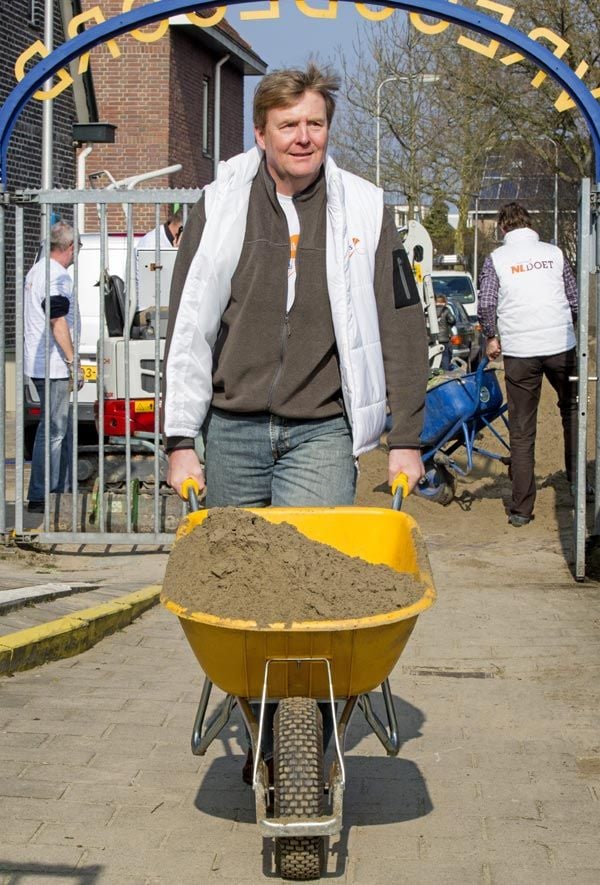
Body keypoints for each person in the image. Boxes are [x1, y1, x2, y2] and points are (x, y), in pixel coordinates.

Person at [162, 64, 429, 781]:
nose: (304, 136)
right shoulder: (219, 206)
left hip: (320, 430)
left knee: (311, 600)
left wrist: (406, 437)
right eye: (289, 125)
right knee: (241, 602)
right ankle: (266, 731)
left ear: (327, 129)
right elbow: (187, 324)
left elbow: (402, 325)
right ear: (262, 132)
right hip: (233, 430)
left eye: (315, 123)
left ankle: (299, 741)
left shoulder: (366, 210)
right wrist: (180, 439)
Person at [478, 201, 578, 527]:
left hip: (520, 351)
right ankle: (580, 485)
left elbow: (488, 301)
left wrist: (492, 336)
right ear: (530, 225)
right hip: (561, 345)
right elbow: (574, 299)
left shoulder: (497, 259)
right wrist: (566, 327)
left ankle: (521, 509)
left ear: (503, 228)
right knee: (572, 413)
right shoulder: (555, 253)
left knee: (521, 431)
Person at [24, 220, 82, 513]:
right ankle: (45, 495)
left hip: (41, 363)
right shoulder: (57, 275)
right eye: (78, 248)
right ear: (70, 247)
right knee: (55, 430)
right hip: (54, 365)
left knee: (56, 429)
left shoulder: (37, 271)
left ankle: (61, 492)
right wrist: (73, 361)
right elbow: (57, 318)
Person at [135, 207, 183, 316]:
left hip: (160, 304)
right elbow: (162, 284)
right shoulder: (153, 243)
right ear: (182, 229)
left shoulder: (167, 240)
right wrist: (177, 254)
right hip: (146, 307)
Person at [435, 293, 455, 370]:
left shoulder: (430, 310)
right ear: (444, 302)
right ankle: (445, 373)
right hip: (444, 338)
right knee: (445, 356)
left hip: (432, 339)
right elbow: (452, 320)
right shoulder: (446, 310)